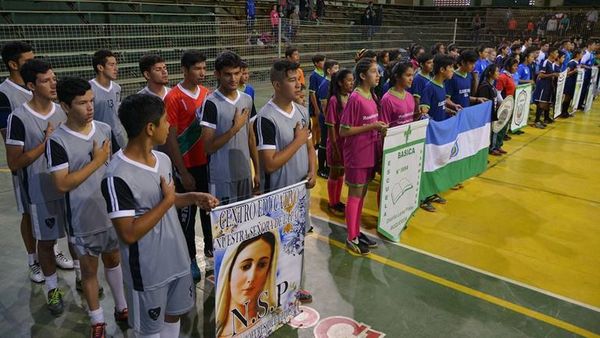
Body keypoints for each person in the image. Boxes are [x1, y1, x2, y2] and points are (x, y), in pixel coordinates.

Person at [101, 93, 218, 338]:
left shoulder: (163, 160)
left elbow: (170, 200)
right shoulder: (117, 175)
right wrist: (167, 201)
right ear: (150, 128)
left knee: (173, 316)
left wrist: (194, 197)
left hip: (176, 260)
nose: (170, 126)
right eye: (166, 121)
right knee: (149, 331)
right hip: (147, 271)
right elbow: (128, 232)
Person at [48, 77, 128, 336]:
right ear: (65, 106)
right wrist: (96, 162)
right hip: (83, 218)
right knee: (90, 270)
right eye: (82, 103)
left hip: (110, 212)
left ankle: (122, 307)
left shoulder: (104, 129)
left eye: (91, 101)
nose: (89, 107)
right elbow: (61, 184)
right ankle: (97, 320)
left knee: (114, 260)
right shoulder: (58, 141)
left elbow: (115, 167)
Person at [5, 59, 69, 315]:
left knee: (75, 239)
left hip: (66, 185)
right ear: (31, 85)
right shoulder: (18, 117)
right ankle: (50, 286)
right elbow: (14, 162)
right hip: (39, 189)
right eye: (46, 80)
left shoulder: (62, 111)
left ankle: (78, 275)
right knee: (44, 240)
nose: (53, 84)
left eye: (53, 78)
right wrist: (46, 144)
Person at [254, 60, 315, 302]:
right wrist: (298, 141)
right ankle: (273, 292)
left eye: (299, 78)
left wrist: (312, 169)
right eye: (292, 80)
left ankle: (294, 286)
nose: (299, 84)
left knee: (297, 241)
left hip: (301, 192)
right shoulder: (266, 118)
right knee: (276, 245)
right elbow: (269, 163)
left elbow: (310, 146)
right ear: (277, 84)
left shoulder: (301, 110)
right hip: (278, 196)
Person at [163, 50, 213, 283]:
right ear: (184, 70)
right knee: (187, 216)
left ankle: (212, 253)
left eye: (204, 68)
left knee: (210, 211)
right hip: (187, 167)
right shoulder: (172, 97)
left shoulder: (207, 93)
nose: (202, 73)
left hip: (207, 164)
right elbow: (170, 138)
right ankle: (190, 258)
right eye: (197, 68)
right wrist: (182, 171)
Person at [0, 41, 46, 283]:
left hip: (47, 160)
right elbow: (6, 135)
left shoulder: (38, 85)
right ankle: (33, 259)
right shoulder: (5, 93)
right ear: (13, 64)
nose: (33, 63)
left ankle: (50, 249)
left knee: (50, 209)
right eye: (27, 61)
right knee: (28, 213)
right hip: (26, 163)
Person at [200, 51, 258, 204]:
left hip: (244, 173)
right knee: (224, 226)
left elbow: (251, 138)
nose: (233, 79)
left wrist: (257, 171)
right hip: (221, 177)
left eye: (237, 73)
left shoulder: (247, 99)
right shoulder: (211, 103)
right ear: (217, 74)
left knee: (244, 224)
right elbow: (208, 147)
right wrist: (235, 128)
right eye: (227, 74)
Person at [339, 58, 384, 255]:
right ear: (363, 75)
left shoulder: (371, 95)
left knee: (362, 194)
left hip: (370, 151)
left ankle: (357, 231)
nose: (378, 75)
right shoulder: (355, 98)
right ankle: (351, 237)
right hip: (357, 154)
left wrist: (380, 129)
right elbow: (344, 130)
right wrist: (373, 126)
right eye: (374, 72)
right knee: (355, 195)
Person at [215, 231, 278, 338]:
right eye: (245, 266)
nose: (252, 277)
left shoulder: (274, 318)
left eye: (262, 265)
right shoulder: (220, 332)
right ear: (229, 271)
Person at [418, 55, 456, 212]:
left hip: (439, 133)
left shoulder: (442, 86)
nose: (453, 70)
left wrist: (451, 109)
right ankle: (423, 197)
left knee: (437, 163)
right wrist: (431, 122)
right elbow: (424, 111)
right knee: (427, 164)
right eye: (451, 68)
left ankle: (432, 191)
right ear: (442, 70)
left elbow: (439, 106)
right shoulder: (429, 87)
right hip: (430, 136)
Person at [324, 69, 353, 216]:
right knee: (334, 171)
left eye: (352, 80)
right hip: (336, 142)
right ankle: (332, 202)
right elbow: (330, 127)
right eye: (348, 80)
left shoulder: (350, 97)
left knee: (341, 171)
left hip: (346, 143)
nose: (351, 83)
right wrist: (335, 148)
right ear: (340, 82)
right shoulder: (334, 100)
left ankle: (337, 200)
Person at [90, 50, 126, 149]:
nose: (116, 68)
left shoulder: (117, 88)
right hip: (99, 138)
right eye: (111, 65)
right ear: (100, 67)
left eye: (116, 64)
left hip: (118, 137)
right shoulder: (89, 89)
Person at [316, 59, 340, 179]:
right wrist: (329, 120)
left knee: (329, 141)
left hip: (331, 118)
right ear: (329, 70)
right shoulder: (325, 84)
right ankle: (321, 168)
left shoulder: (332, 83)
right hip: (326, 118)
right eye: (335, 68)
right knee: (324, 142)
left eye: (338, 68)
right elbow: (324, 105)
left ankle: (328, 165)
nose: (337, 70)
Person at [492, 57, 518, 155]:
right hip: (502, 106)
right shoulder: (502, 77)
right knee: (498, 127)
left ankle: (499, 145)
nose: (516, 68)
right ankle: (493, 147)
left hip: (508, 106)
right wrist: (503, 105)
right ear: (509, 66)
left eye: (517, 66)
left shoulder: (510, 76)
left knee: (504, 127)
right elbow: (498, 92)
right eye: (514, 66)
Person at [380, 61, 416, 128]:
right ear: (397, 76)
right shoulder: (387, 100)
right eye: (408, 75)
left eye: (412, 75)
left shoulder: (410, 96)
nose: (411, 79)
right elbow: (384, 126)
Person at [476, 64, 500, 155]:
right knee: (484, 135)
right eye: (497, 71)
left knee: (490, 133)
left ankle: (492, 148)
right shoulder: (485, 86)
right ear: (490, 73)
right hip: (485, 117)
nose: (498, 73)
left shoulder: (492, 85)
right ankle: (485, 153)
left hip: (491, 114)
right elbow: (483, 104)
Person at [533, 47, 560, 128]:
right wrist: (552, 75)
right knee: (541, 103)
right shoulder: (545, 62)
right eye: (556, 52)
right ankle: (537, 121)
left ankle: (545, 118)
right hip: (543, 86)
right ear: (551, 53)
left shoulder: (552, 63)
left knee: (546, 103)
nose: (557, 54)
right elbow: (540, 75)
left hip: (548, 86)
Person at [308, 54, 326, 159]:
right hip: (316, 105)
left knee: (320, 127)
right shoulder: (314, 76)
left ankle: (318, 143)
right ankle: (314, 145)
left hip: (322, 104)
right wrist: (316, 108)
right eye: (322, 61)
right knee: (315, 126)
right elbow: (312, 93)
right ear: (316, 63)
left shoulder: (324, 74)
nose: (324, 63)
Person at [561, 49, 582, 118]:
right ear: (577, 55)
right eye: (581, 54)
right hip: (570, 82)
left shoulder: (577, 62)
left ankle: (566, 111)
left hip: (574, 82)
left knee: (570, 97)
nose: (582, 56)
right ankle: (563, 112)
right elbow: (567, 73)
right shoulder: (572, 62)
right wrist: (574, 71)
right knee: (567, 97)